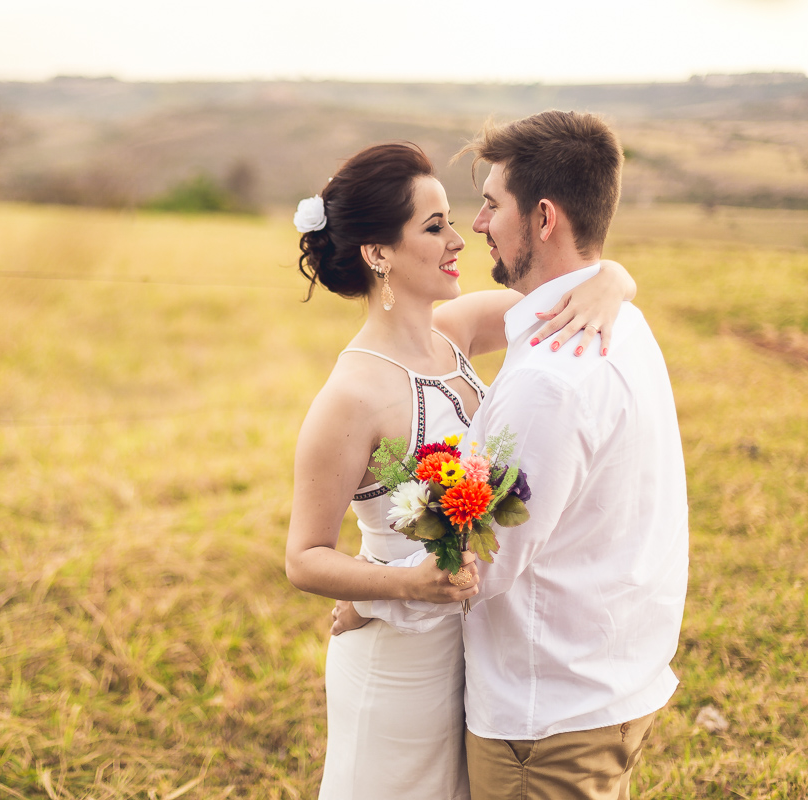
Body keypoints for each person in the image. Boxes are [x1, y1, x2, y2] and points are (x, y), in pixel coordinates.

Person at [284, 141, 638, 800]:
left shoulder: (456, 329)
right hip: (398, 665)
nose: (459, 239)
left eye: (452, 219)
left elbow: (569, 287)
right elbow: (303, 557)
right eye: (434, 226)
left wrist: (614, 279)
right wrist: (388, 586)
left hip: (476, 661)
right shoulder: (350, 396)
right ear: (378, 253)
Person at [354, 114, 689, 800]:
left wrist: (374, 597)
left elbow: (477, 565)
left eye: (489, 204)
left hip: (546, 719)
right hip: (605, 683)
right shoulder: (613, 317)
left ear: (543, 218)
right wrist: (614, 276)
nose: (472, 227)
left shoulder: (548, 379)